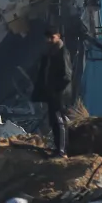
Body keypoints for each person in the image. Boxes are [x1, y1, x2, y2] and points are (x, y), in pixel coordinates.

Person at [33, 27, 72, 157]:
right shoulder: (50, 53)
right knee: (53, 121)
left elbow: (66, 76)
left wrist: (56, 90)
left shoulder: (62, 52)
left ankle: (62, 150)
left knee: (60, 120)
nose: (49, 40)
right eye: (47, 37)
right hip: (52, 94)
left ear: (58, 36)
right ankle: (57, 148)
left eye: (52, 37)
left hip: (59, 94)